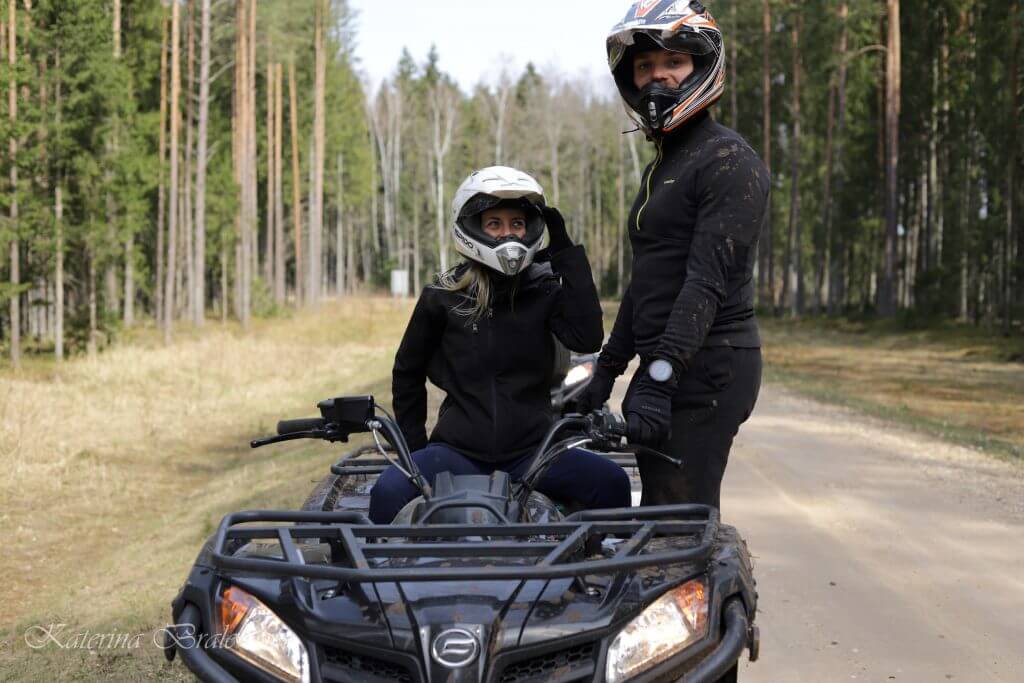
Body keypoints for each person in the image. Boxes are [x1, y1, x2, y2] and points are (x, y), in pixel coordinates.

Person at [577, 1, 769, 510]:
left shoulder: (728, 160)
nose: (657, 76)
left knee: (679, 520)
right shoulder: (664, 166)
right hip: (671, 362)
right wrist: (607, 370)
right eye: (645, 65)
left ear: (702, 66)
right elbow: (648, 281)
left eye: (674, 62)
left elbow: (706, 282)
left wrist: (660, 379)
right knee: (657, 513)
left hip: (709, 365)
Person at [369, 166, 631, 524]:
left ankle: (595, 559)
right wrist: (414, 450)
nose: (508, 233)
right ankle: (382, 563)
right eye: (494, 223)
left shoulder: (544, 290)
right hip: (457, 452)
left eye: (517, 223)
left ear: (531, 228)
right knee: (387, 492)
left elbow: (588, 337)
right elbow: (407, 372)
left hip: (533, 452)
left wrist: (566, 253)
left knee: (612, 482)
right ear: (472, 226)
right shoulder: (443, 296)